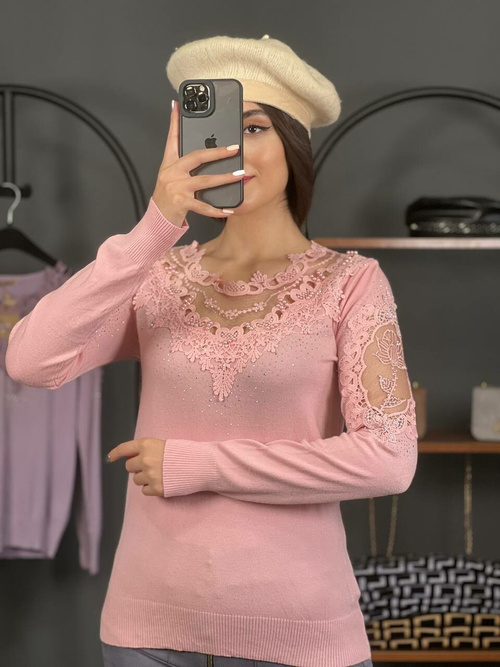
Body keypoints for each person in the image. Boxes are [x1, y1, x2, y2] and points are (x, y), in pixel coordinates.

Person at [6, 34, 418, 667]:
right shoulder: (158, 276)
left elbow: (388, 460)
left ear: (294, 144)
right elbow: (31, 360)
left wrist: (199, 465)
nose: (231, 149)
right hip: (147, 632)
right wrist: (155, 227)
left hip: (297, 631)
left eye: (253, 128)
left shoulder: (350, 283)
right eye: (217, 131)